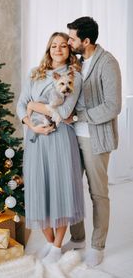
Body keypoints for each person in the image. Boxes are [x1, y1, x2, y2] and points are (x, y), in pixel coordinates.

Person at [16, 32, 84, 264]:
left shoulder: (74, 76)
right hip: (36, 138)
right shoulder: (35, 73)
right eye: (54, 45)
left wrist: (36, 105)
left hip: (61, 139)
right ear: (48, 49)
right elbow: (21, 104)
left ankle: (57, 246)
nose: (58, 49)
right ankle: (48, 240)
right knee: (37, 188)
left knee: (60, 188)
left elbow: (64, 113)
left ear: (69, 50)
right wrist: (30, 124)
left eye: (63, 45)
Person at [61, 16, 122, 267]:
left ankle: (98, 246)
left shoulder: (107, 63)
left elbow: (113, 106)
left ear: (86, 41)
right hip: (72, 136)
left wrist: (78, 116)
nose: (68, 41)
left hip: (95, 138)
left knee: (98, 193)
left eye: (72, 38)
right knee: (73, 190)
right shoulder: (75, 62)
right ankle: (77, 239)